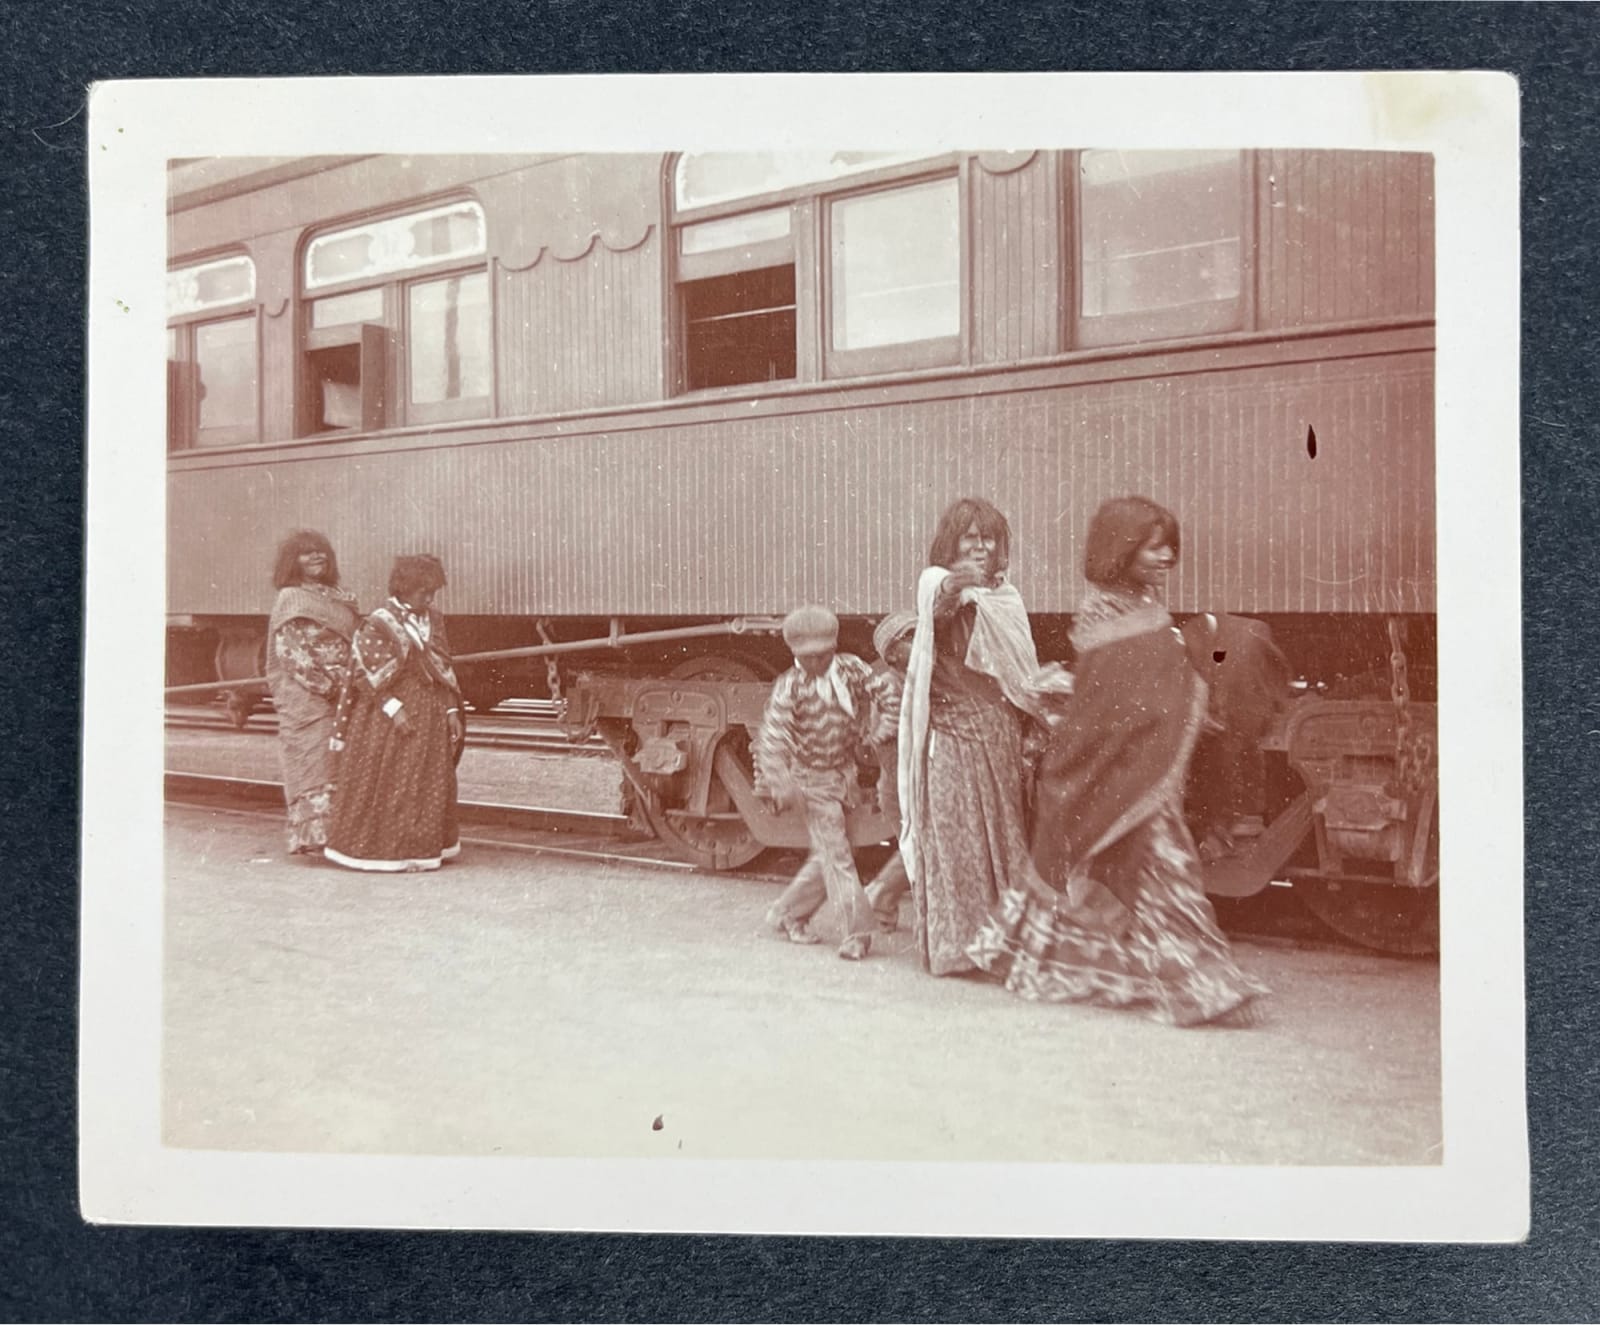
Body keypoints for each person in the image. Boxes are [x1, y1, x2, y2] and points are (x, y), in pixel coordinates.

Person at [966, 496, 1270, 1027]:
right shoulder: (1103, 611)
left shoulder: (1145, 607)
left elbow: (1153, 681)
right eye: (1152, 548)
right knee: (1161, 880)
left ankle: (1196, 984)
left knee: (1162, 882)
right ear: (1120, 550)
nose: (1165, 557)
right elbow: (1111, 702)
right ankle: (1203, 989)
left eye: (1169, 547)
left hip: (1142, 776)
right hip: (1117, 777)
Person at [897, 498, 1070, 976]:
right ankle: (959, 950)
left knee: (1005, 833)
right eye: (968, 536)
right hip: (951, 735)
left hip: (998, 733)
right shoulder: (937, 583)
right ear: (949, 543)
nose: (978, 544)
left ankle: (1006, 951)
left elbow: (1018, 671)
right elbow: (937, 607)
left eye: (987, 536)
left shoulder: (1005, 598)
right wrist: (957, 583)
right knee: (956, 841)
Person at [755, 605, 889, 960]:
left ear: (834, 647)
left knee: (835, 853)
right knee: (839, 856)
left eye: (824, 655)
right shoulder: (790, 687)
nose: (817, 663)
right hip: (811, 782)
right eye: (808, 657)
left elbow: (883, 692)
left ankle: (787, 914)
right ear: (795, 653)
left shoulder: (851, 668)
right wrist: (780, 780)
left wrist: (883, 723)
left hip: (844, 777)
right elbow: (773, 736)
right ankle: (856, 935)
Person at [324, 555, 465, 873]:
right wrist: (394, 709)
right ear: (403, 589)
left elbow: (443, 667)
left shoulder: (434, 620)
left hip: (430, 712)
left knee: (427, 782)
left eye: (432, 592)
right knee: (392, 781)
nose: (428, 599)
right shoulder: (378, 622)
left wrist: (452, 710)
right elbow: (365, 674)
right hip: (388, 715)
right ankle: (388, 852)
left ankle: (420, 850)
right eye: (422, 592)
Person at [264, 530, 359, 855]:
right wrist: (327, 686)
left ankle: (343, 836)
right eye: (307, 553)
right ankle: (315, 837)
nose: (317, 557)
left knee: (343, 763)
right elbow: (291, 653)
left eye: (321, 551)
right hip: (310, 696)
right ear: (294, 561)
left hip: (347, 692)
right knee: (313, 759)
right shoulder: (290, 598)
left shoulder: (339, 596)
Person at [862, 609, 916, 932]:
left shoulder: (908, 679)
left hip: (903, 783)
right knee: (917, 848)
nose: (918, 641)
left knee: (915, 848)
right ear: (892, 654)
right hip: (899, 785)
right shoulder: (889, 686)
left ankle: (883, 903)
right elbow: (885, 741)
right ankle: (879, 895)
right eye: (908, 638)